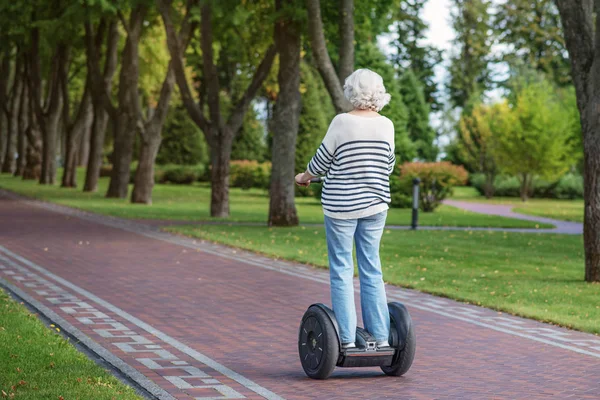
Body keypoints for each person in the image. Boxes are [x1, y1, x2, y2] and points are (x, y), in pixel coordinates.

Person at [295, 68, 395, 349]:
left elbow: (320, 163)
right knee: (372, 269)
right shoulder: (386, 125)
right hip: (376, 206)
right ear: (379, 93)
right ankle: (382, 337)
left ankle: (348, 341)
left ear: (351, 91)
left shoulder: (342, 122)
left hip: (341, 207)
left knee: (341, 268)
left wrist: (304, 177)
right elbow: (387, 165)